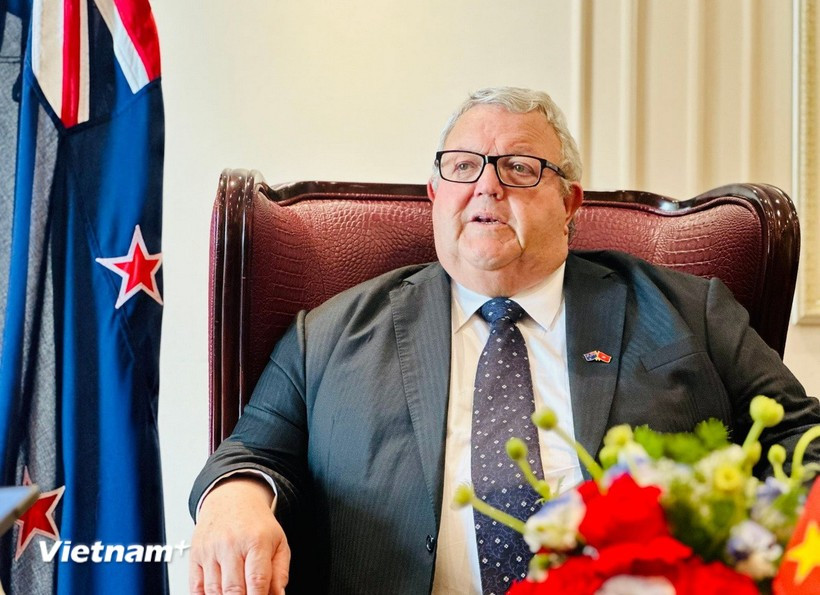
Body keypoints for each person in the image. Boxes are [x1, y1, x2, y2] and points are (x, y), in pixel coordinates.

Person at [188, 87, 820, 595]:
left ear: (571, 202)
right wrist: (234, 502)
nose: (487, 186)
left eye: (520, 168)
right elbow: (250, 451)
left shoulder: (687, 311)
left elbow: (804, 441)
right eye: (463, 167)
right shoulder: (325, 335)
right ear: (435, 196)